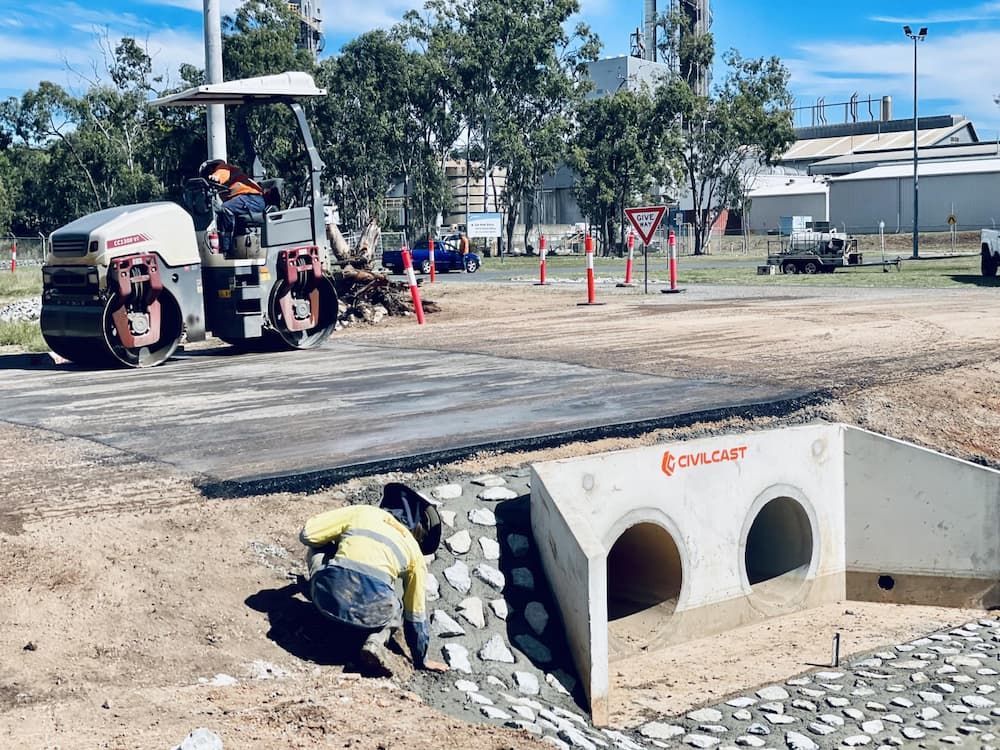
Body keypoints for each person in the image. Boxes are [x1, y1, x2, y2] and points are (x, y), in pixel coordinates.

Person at [299, 483, 448, 676]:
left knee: (318, 548)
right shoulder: (414, 552)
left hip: (325, 597)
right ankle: (375, 642)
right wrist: (422, 659)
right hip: (371, 616)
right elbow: (415, 616)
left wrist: (336, 546)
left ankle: (321, 599)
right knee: (399, 606)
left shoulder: (363, 512)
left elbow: (308, 534)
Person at [198, 159, 266, 254]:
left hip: (253, 198)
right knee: (223, 213)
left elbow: (222, 173)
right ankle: (234, 248)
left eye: (206, 174)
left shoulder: (222, 167)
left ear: (211, 168)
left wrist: (215, 177)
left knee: (225, 209)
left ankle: (225, 249)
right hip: (249, 200)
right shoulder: (226, 189)